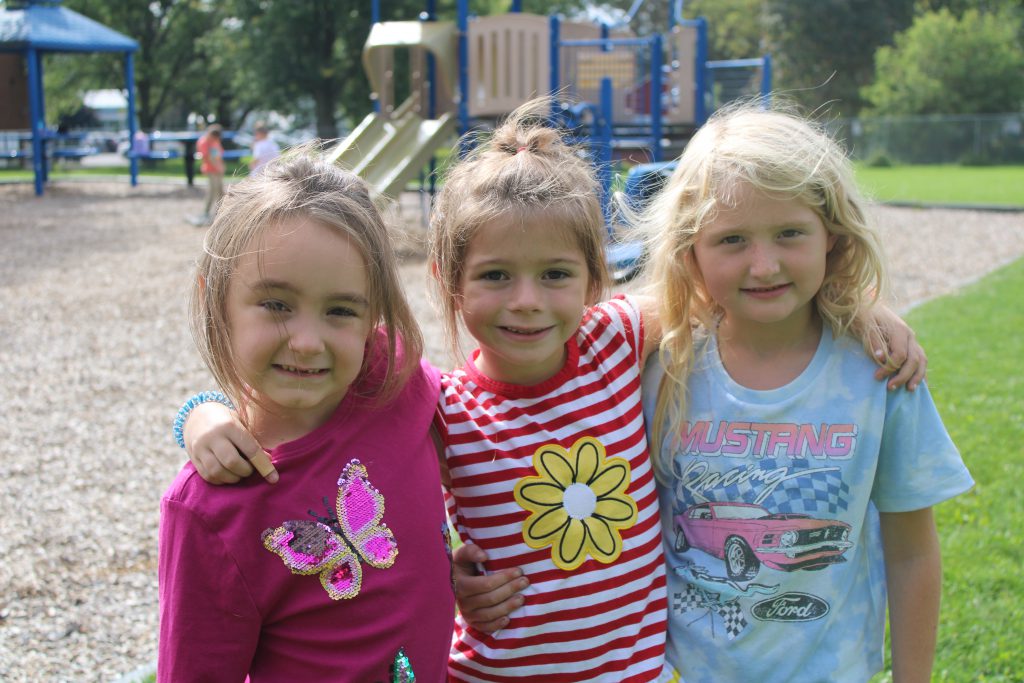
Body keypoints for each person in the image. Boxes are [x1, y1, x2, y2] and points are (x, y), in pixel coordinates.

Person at [174, 99, 927, 682]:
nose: (527, 301)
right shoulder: (429, 400)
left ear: (595, 280)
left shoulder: (613, 341)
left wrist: (856, 306)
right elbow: (308, 381)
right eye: (496, 276)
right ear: (448, 283)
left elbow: (731, 292)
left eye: (556, 275)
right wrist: (200, 411)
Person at [637, 104, 974, 682]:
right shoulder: (661, 369)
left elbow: (913, 550)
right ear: (689, 252)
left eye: (789, 233)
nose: (763, 265)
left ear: (832, 239)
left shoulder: (881, 374)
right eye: (732, 239)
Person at [158, 151, 455, 682]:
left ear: (372, 318)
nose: (307, 341)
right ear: (215, 298)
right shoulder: (212, 509)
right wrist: (198, 413)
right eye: (276, 304)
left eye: (341, 310)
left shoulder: (391, 381)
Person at [195, 123, 225, 223]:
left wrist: (220, 166)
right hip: (211, 169)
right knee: (212, 190)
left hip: (217, 169)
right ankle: (206, 212)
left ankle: (220, 211)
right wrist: (217, 167)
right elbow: (207, 157)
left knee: (220, 191)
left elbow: (218, 154)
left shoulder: (214, 141)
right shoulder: (204, 142)